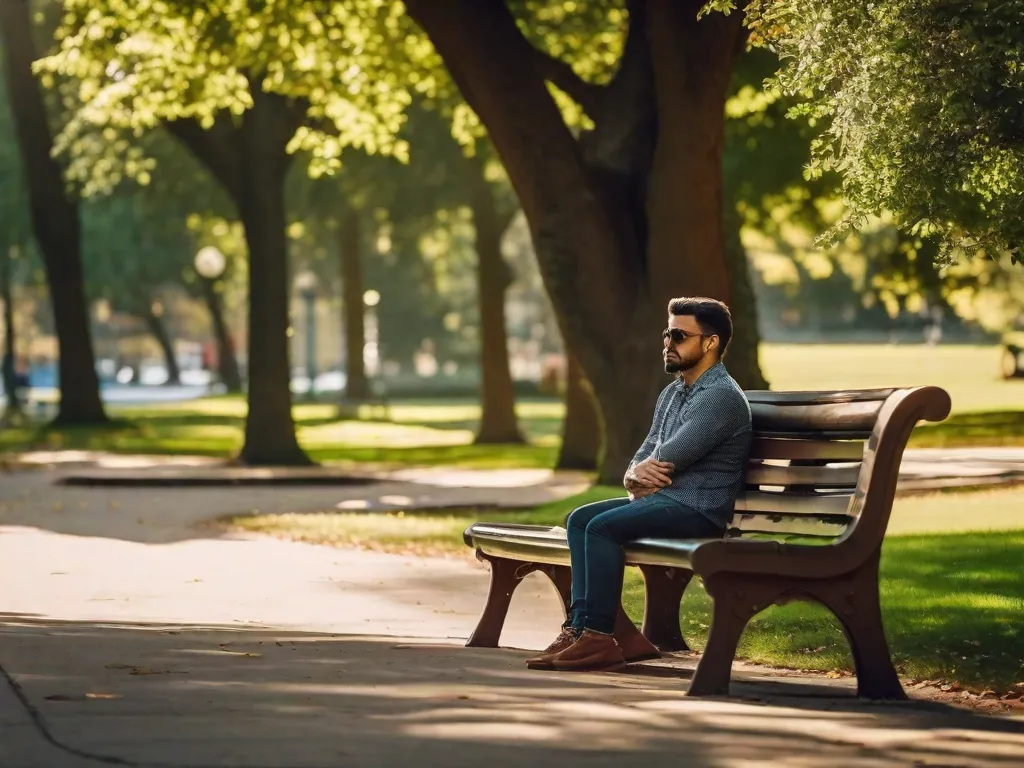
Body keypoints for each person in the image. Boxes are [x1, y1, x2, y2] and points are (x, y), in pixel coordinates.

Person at [527, 296, 753, 672]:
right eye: (666, 334)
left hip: (698, 510)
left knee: (601, 528)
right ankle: (587, 630)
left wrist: (643, 472)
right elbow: (646, 452)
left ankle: (598, 637)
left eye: (679, 335)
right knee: (580, 519)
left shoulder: (720, 398)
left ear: (710, 342)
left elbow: (669, 458)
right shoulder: (674, 392)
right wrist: (634, 474)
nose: (667, 343)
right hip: (668, 501)